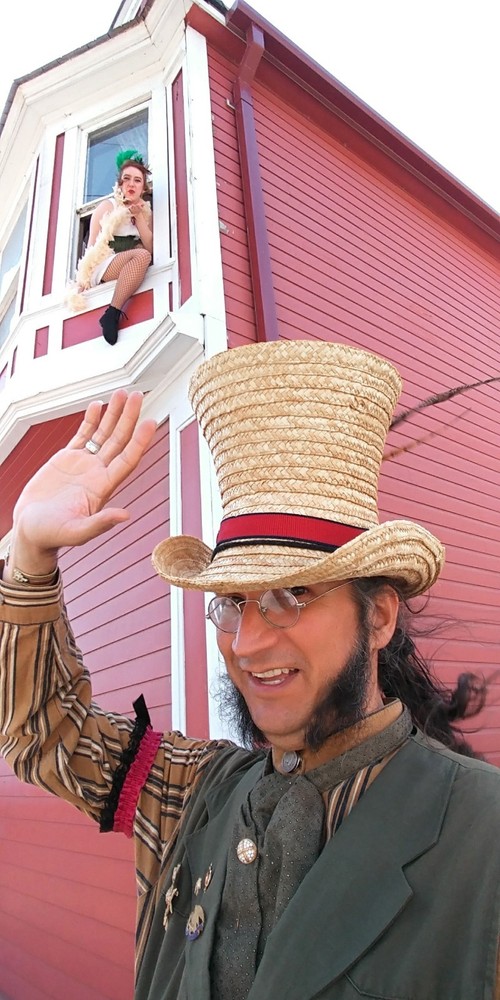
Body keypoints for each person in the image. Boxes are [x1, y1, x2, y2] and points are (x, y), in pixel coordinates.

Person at [0, 340, 499, 1000]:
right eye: (231, 603)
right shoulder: (194, 792)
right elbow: (47, 736)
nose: (247, 641)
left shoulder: (481, 836)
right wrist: (30, 553)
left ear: (378, 618)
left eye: (290, 596)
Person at [72, 149, 153, 345]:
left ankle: (112, 313)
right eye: (127, 179)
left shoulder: (146, 213)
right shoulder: (108, 206)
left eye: (137, 180)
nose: (131, 184)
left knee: (143, 255)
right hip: (105, 262)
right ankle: (112, 313)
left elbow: (150, 247)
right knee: (141, 256)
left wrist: (139, 217)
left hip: (129, 262)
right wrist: (82, 280)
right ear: (120, 184)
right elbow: (92, 244)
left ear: (143, 188)